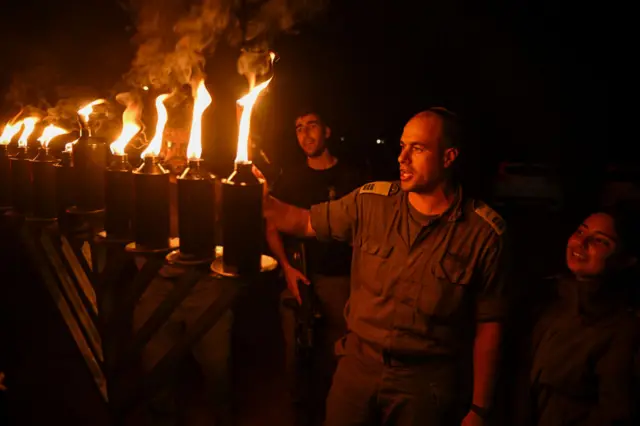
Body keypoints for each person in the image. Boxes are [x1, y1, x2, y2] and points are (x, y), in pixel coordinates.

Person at [262, 108, 509, 426]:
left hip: (424, 385)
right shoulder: (370, 202)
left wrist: (480, 409)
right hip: (358, 369)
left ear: (448, 157)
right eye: (402, 146)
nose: (402, 158)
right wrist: (253, 195)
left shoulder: (483, 234)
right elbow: (303, 221)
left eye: (417, 149)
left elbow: (490, 325)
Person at [265, 108, 366, 426]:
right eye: (298, 129)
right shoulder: (291, 178)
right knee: (297, 359)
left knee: (338, 358)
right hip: (300, 278)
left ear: (327, 131)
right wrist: (286, 268)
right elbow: (271, 224)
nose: (305, 134)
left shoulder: (351, 178)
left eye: (311, 126)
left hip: (341, 282)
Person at [133, 135, 233, 426]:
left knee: (217, 366)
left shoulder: (211, 185)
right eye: (170, 144)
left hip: (203, 287)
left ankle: (222, 416)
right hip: (156, 287)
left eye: (181, 143)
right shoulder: (144, 183)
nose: (175, 151)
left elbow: (235, 225)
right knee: (154, 367)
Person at [514, 209, 640, 426]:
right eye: (581, 231)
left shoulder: (621, 329)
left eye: (600, 241)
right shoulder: (548, 301)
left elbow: (614, 412)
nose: (582, 242)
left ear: (625, 259)